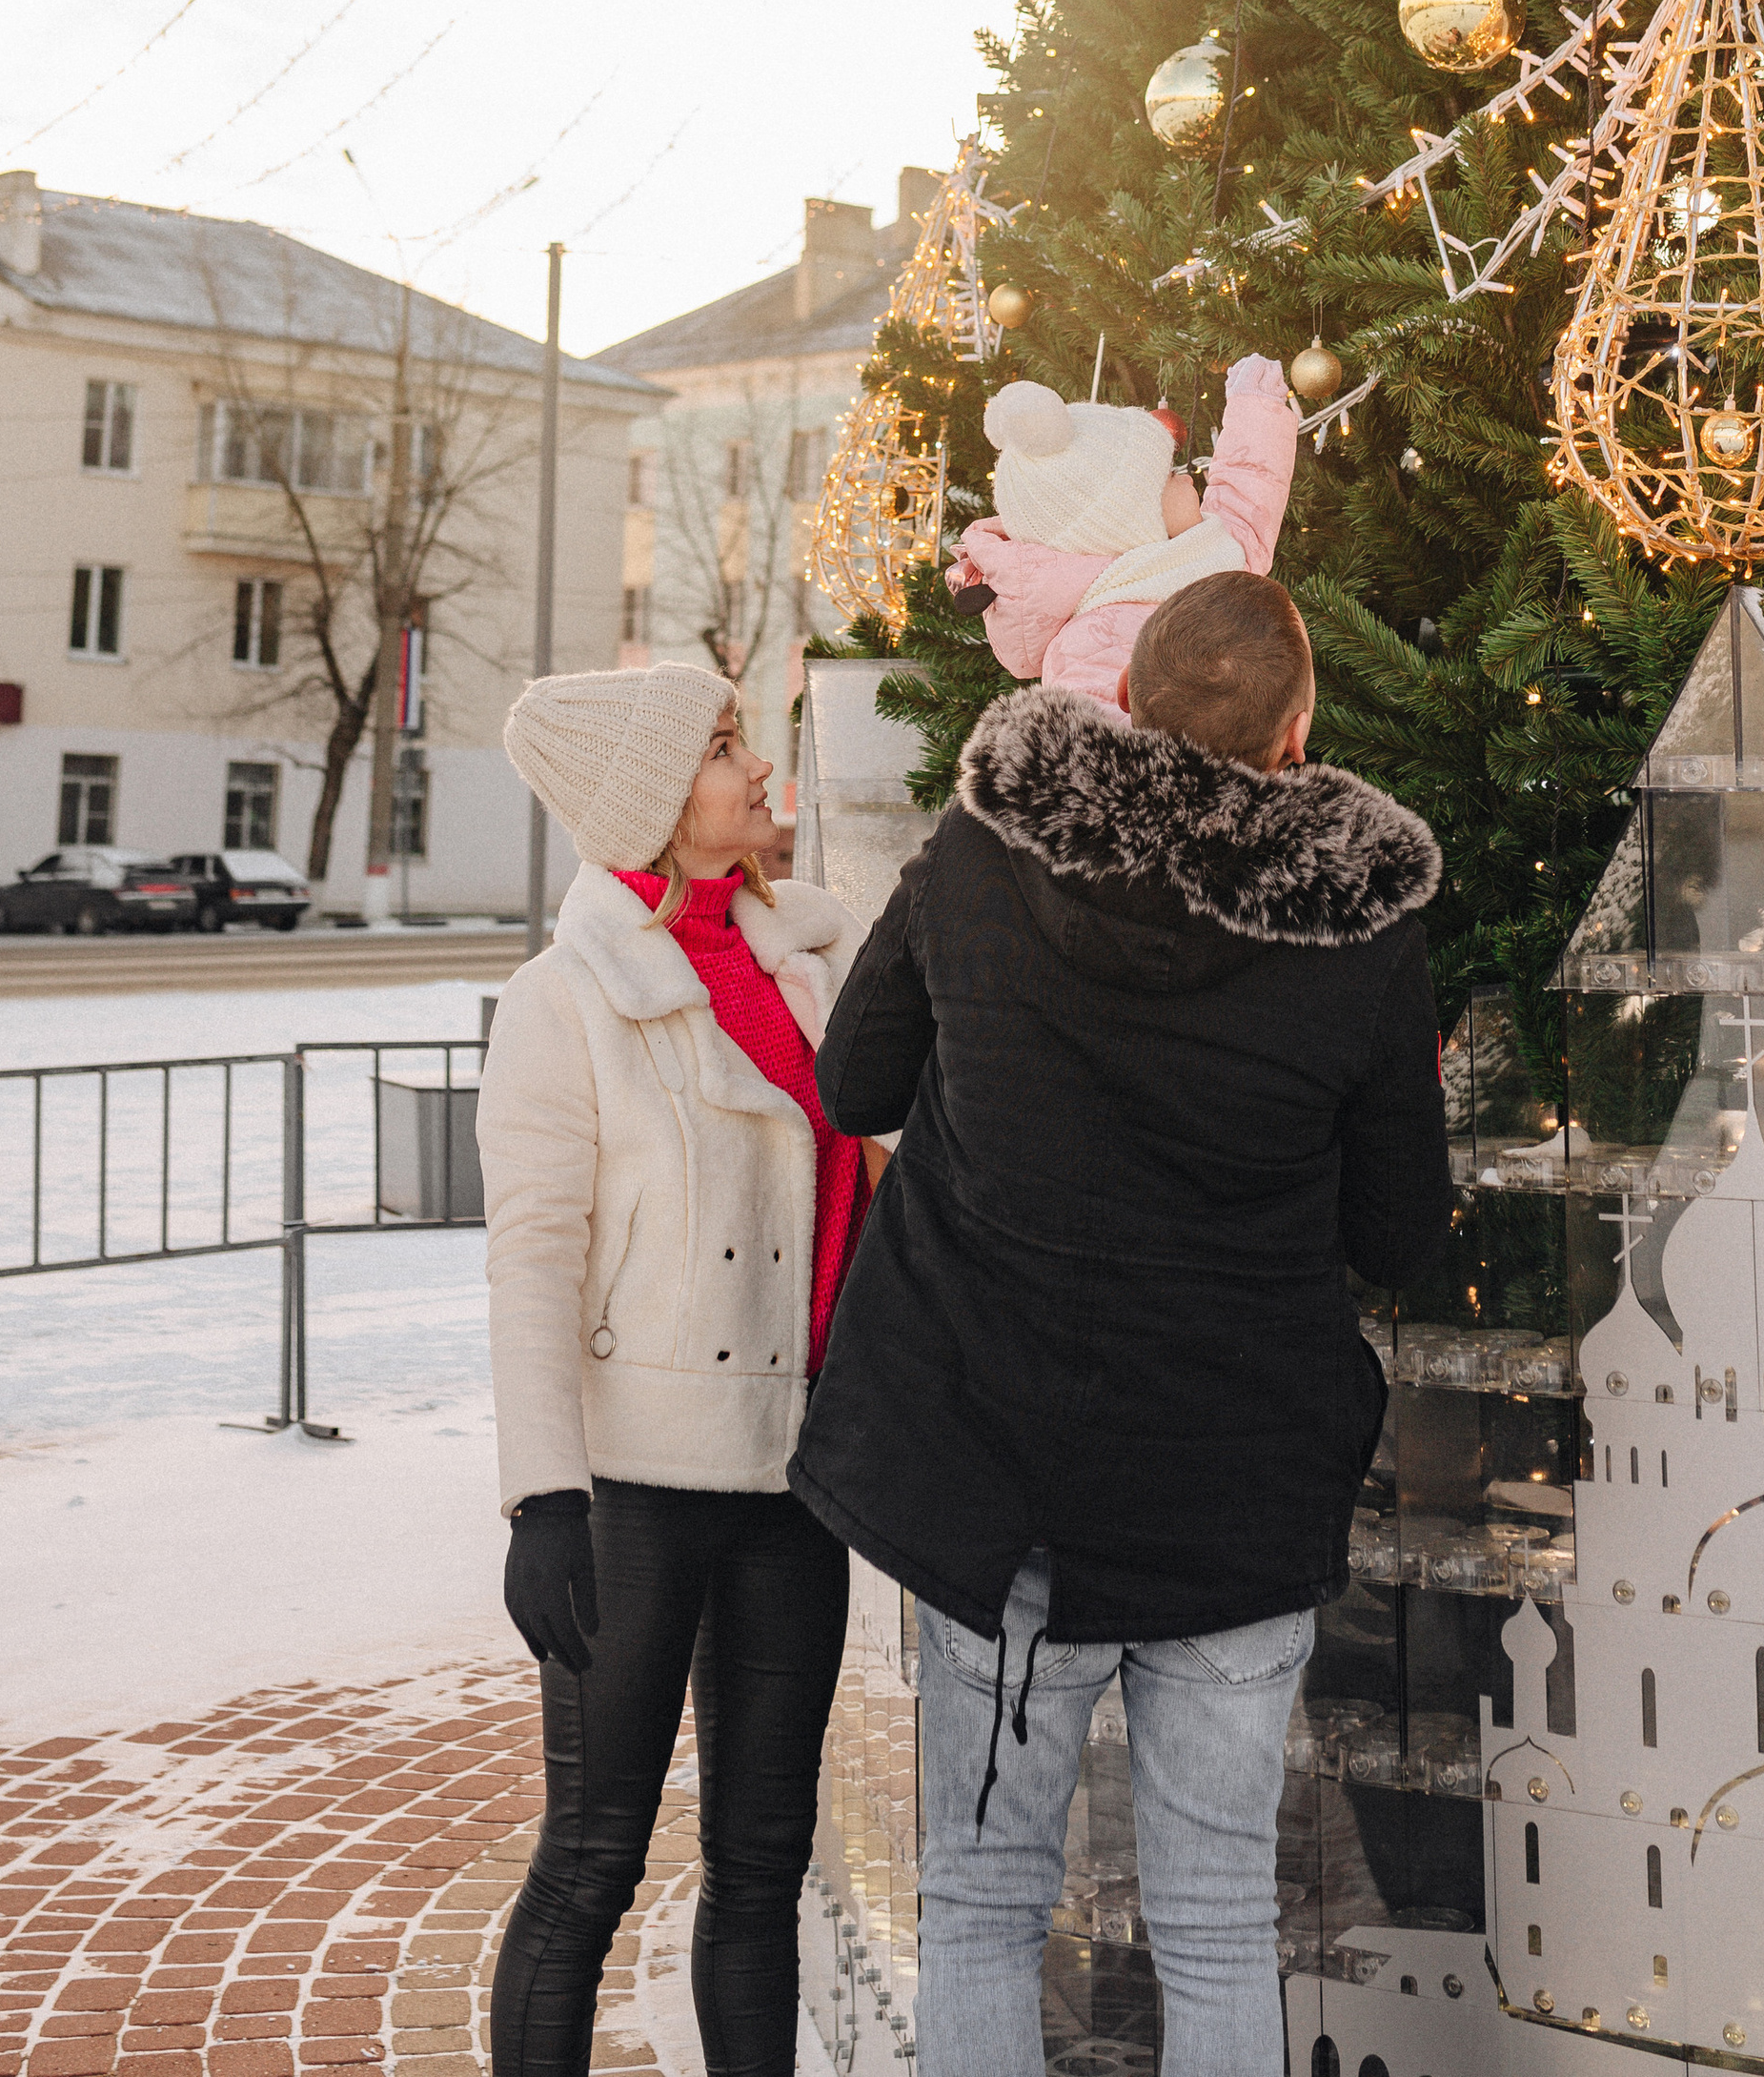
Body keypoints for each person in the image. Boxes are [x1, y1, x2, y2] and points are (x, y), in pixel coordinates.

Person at [791, 573, 1453, 2077]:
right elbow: (1402, 1236)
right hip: (1235, 1488)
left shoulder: (983, 844)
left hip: (994, 1476)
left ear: (1127, 702)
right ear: (1299, 731)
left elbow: (854, 1084)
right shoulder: (1357, 932)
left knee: (979, 1900)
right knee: (1220, 1919)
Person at [478, 662, 875, 2077]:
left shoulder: (811, 965)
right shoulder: (566, 1000)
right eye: (720, 751)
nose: (758, 770)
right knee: (590, 1866)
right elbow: (529, 1258)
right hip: (634, 1489)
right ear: (653, 803)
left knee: (765, 1865)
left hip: (794, 1478)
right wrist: (543, 1499)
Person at [947, 349, 1298, 713]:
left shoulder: (1200, 553)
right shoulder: (1092, 643)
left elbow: (1244, 501)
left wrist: (1256, 406)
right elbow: (1110, 752)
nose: (1185, 475)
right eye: (1167, 475)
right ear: (1128, 521)